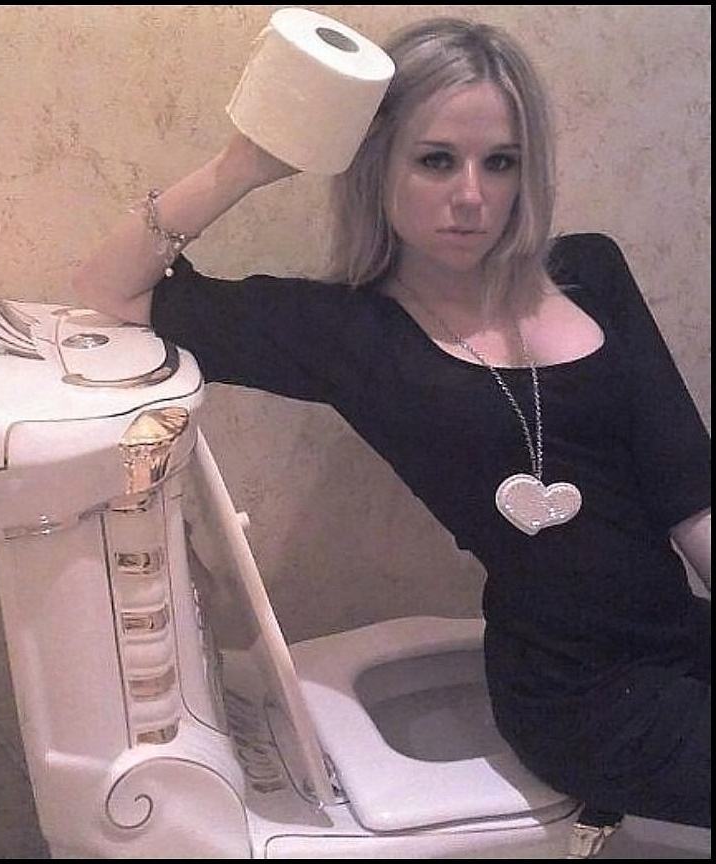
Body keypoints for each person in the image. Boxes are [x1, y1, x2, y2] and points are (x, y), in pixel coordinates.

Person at [74, 17, 711, 835]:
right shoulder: (349, 333)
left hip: (678, 635)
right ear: (380, 166)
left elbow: (689, 491)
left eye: (501, 162)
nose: (472, 196)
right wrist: (248, 162)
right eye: (436, 160)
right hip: (578, 695)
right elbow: (112, 286)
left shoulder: (590, 271)